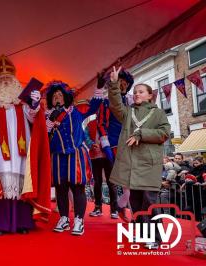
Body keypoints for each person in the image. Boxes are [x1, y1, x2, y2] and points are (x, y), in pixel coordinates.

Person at [0, 54, 51, 235]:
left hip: (20, 152)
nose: (6, 83)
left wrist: (35, 102)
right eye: (2, 80)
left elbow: (33, 116)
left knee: (20, 183)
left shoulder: (23, 104)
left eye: (9, 80)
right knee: (1, 183)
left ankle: (22, 222)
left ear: (15, 82)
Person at [107, 66, 171, 249]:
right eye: (135, 92)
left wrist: (141, 134)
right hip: (131, 165)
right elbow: (115, 104)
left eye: (141, 91)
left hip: (148, 165)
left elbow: (164, 133)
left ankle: (156, 238)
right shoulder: (128, 112)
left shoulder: (158, 113)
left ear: (150, 95)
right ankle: (144, 235)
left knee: (150, 202)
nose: (136, 94)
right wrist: (113, 84)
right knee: (135, 202)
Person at [46, 81, 103, 235]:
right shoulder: (47, 116)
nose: (57, 98)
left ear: (65, 97)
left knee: (77, 188)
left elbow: (93, 108)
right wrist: (50, 122)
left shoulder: (76, 111)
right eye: (54, 96)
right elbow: (43, 137)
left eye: (60, 95)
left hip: (76, 155)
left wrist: (99, 88)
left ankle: (79, 220)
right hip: (58, 156)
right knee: (60, 188)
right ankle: (64, 218)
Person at [89, 69, 134, 219]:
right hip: (112, 145)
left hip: (130, 144)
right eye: (120, 81)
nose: (123, 85)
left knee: (130, 182)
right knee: (117, 180)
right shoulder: (106, 102)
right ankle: (113, 207)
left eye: (125, 83)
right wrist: (105, 144)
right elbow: (101, 123)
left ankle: (121, 207)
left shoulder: (131, 101)